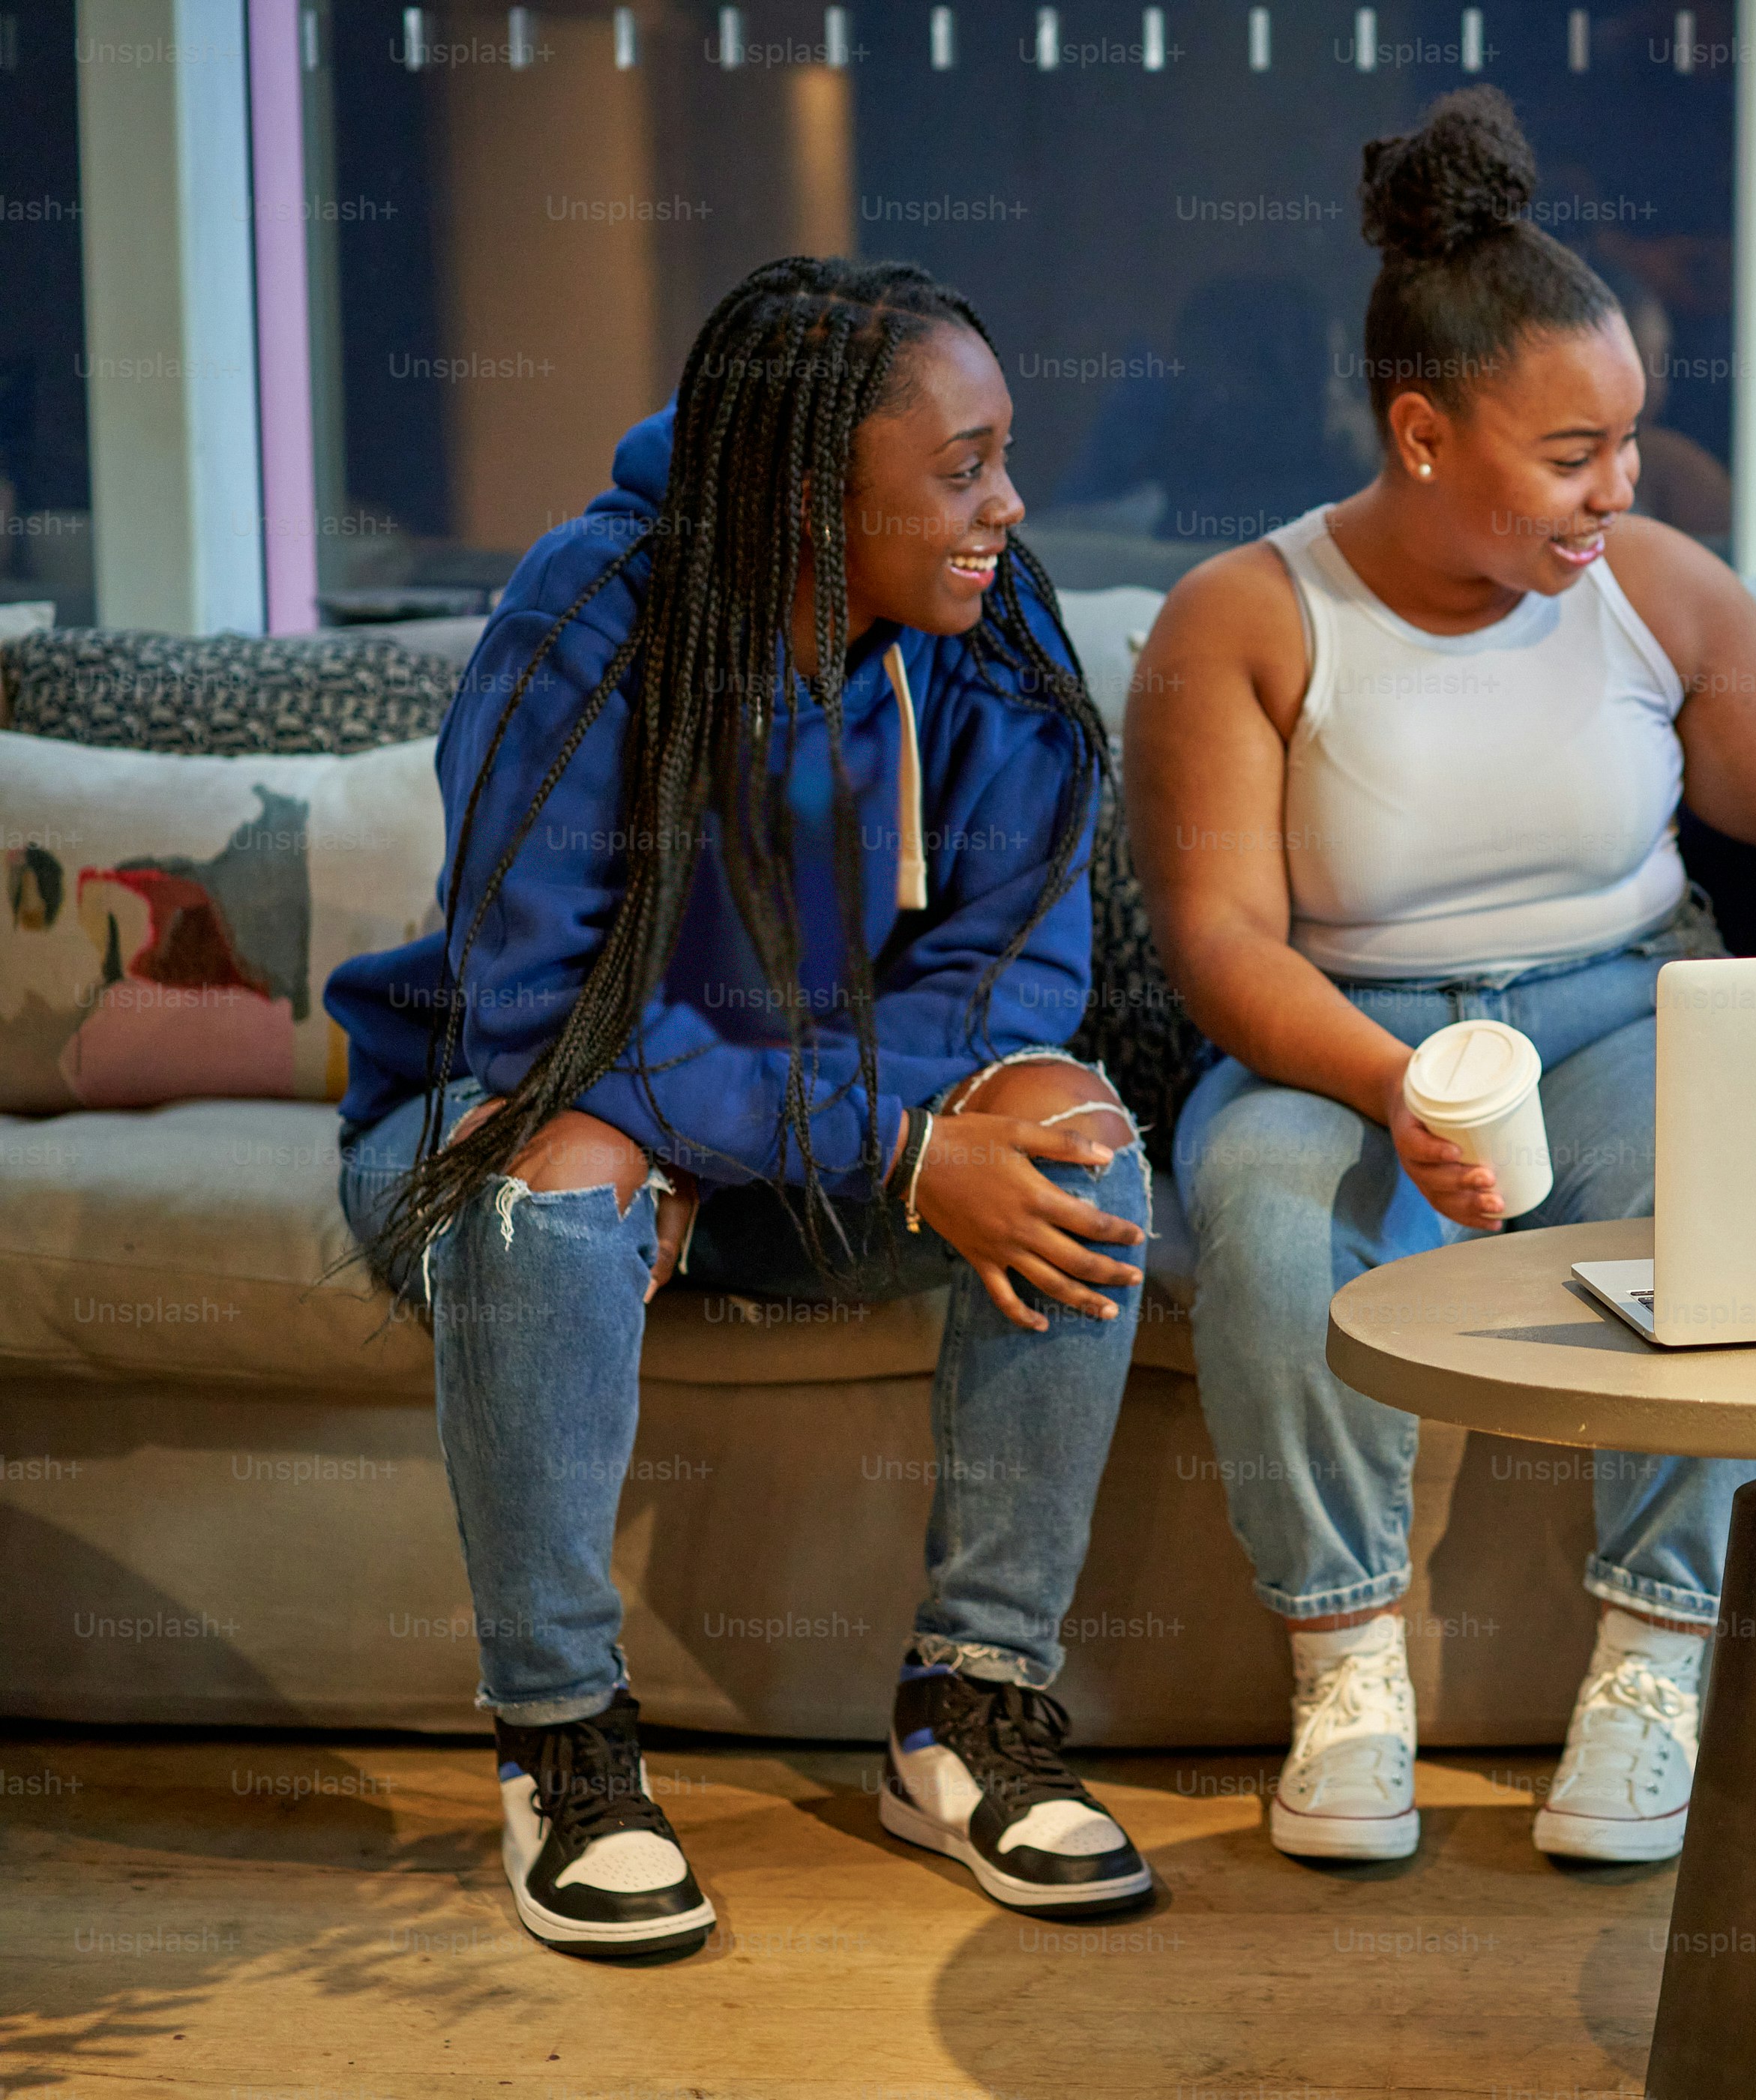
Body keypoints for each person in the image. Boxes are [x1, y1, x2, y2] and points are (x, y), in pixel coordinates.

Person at [1128, 88, 1756, 1865]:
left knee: (1739, 1190)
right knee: (1267, 1214)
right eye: (1573, 451)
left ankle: (1656, 1661)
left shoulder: (1657, 584)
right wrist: (1395, 1093)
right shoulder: (1245, 615)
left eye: (1632, 437)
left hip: (1619, 1005)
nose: (1624, 484)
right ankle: (1345, 1668)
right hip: (1337, 1033)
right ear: (1424, 432)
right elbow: (1219, 945)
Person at [326, 258, 1158, 1957]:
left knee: (1080, 1135)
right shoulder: (590, 610)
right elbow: (542, 1022)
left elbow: (1004, 988)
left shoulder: (982, 626)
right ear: (805, 495)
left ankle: (966, 1713)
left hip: (778, 1156)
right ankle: (559, 1742)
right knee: (569, 1168)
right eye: (961, 467)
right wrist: (867, 1146)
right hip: (504, 1113)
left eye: (1002, 456)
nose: (1006, 504)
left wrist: (760, 1137)